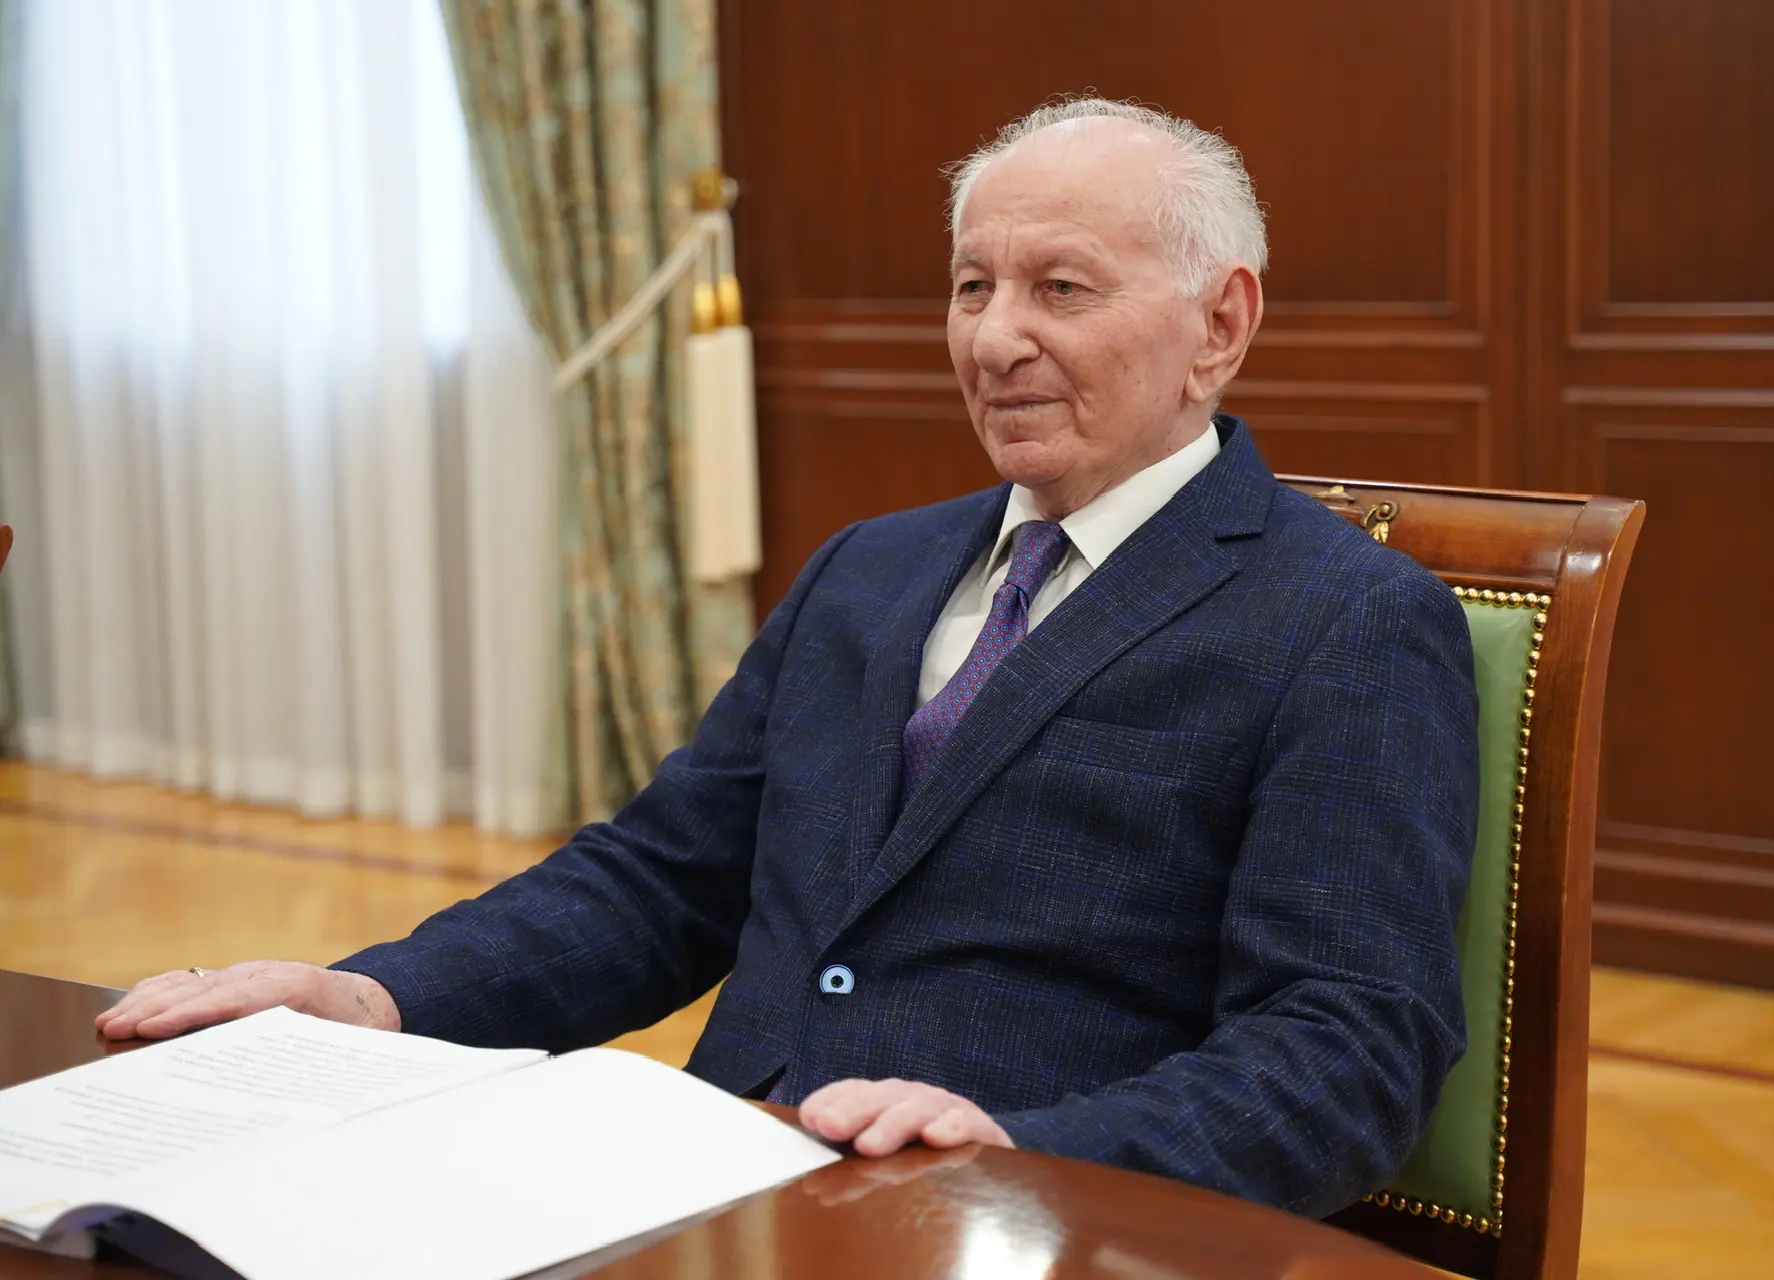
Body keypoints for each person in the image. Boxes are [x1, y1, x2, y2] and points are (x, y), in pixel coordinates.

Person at [99, 98, 1479, 1218]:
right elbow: (663, 879)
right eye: (971, 286)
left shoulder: (1345, 620)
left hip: (1013, 1219)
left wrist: (1028, 1153)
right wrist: (373, 998)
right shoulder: (868, 568)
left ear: (1220, 324)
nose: (995, 338)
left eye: (1060, 288)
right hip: (699, 1192)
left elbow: (1349, 1044)